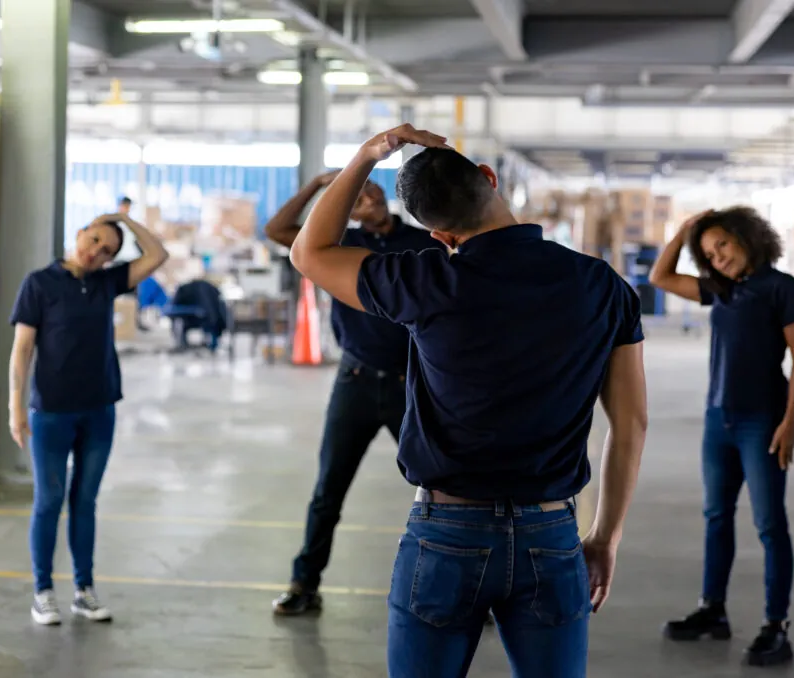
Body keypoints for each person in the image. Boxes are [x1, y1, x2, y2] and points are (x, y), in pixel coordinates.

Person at [287, 124, 647, 677]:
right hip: (550, 535)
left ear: (439, 235)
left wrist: (368, 154)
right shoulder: (602, 285)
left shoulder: (424, 279)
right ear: (488, 178)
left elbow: (308, 251)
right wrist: (605, 537)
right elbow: (631, 424)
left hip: (445, 533)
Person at [263, 169, 439, 615]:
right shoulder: (335, 246)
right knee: (328, 491)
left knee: (443, 487)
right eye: (355, 193)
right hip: (355, 383)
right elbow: (278, 230)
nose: (366, 196)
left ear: (385, 194)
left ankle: (470, 587)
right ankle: (305, 583)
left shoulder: (424, 242)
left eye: (370, 187)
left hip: (412, 385)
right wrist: (319, 188)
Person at [649, 207, 794, 667]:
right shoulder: (718, 291)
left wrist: (790, 421)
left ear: (745, 236)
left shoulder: (783, 288)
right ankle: (712, 610)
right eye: (708, 254)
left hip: (763, 423)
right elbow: (661, 276)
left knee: (769, 525)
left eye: (722, 245)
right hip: (717, 421)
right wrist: (685, 232)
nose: (717, 258)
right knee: (717, 516)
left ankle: (776, 626)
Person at [8, 212, 169, 625]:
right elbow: (22, 349)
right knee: (49, 500)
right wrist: (15, 408)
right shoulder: (39, 284)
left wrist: (126, 221)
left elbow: (158, 254)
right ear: (80, 232)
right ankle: (43, 591)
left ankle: (84, 590)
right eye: (94, 239)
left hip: (99, 409)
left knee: (85, 502)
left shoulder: (106, 282)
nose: (95, 252)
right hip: (50, 413)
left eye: (107, 251)